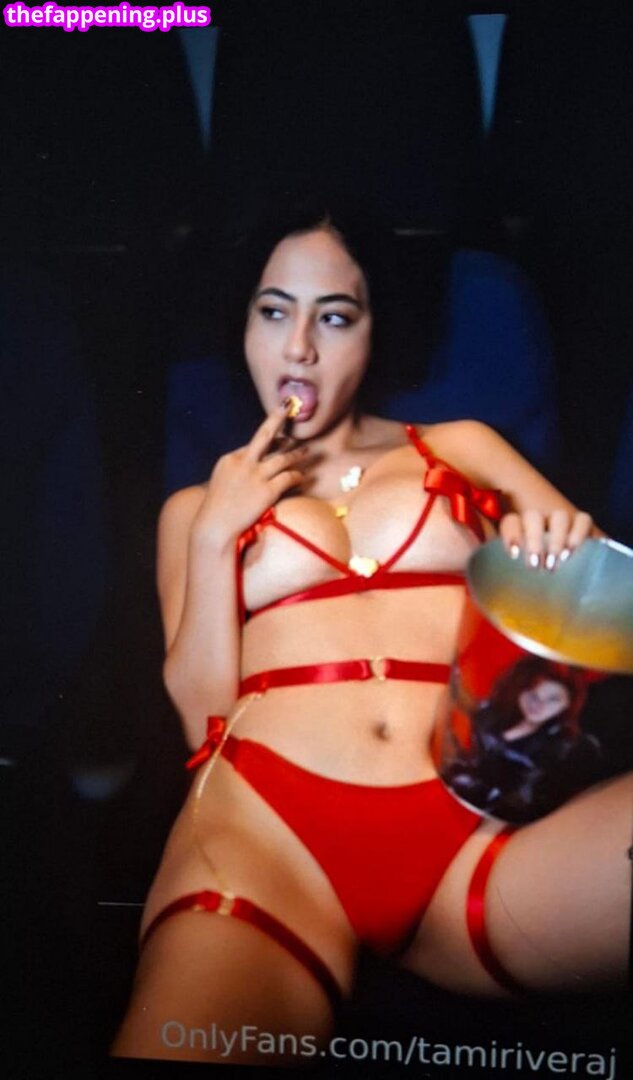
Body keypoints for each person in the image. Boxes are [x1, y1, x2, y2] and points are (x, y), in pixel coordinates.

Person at [112, 200, 632, 1064]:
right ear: (242, 326)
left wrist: (554, 558)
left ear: (373, 331)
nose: (298, 348)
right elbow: (202, 717)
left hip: (476, 836)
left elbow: (597, 610)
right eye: (273, 311)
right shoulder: (193, 510)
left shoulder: (460, 447)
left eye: (333, 317)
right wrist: (214, 537)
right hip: (264, 840)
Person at [442, 657, 603, 823]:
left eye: (553, 700)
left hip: (510, 818)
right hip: (454, 796)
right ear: (519, 688)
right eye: (533, 695)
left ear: (567, 704)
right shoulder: (491, 715)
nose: (538, 705)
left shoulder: (560, 749)